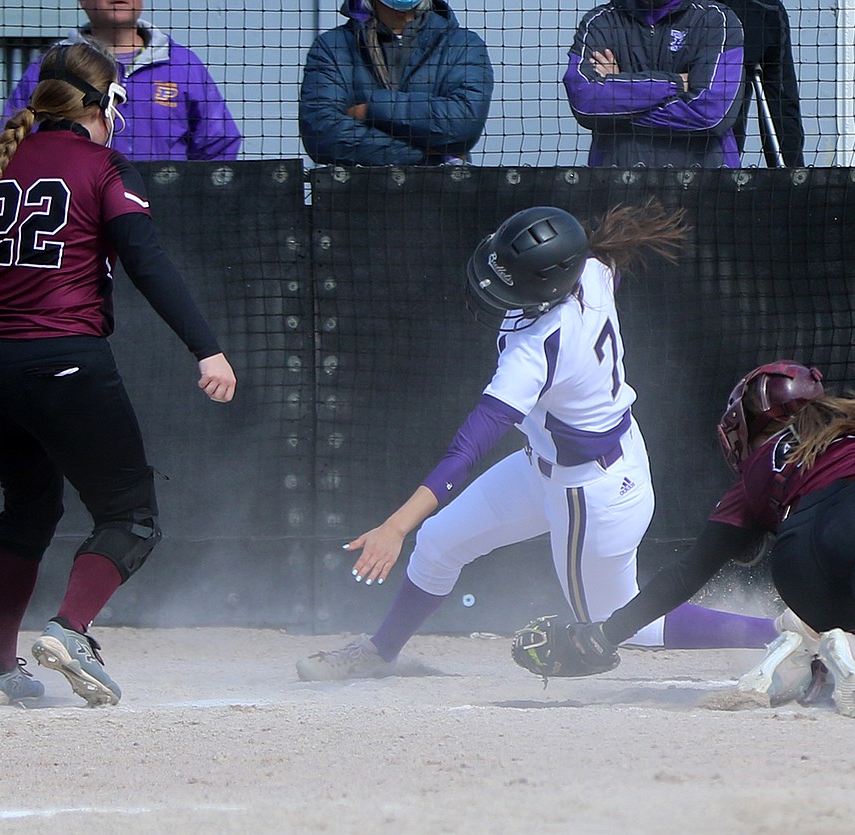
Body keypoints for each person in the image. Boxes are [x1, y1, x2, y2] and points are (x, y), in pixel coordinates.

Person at [296, 202, 779, 681]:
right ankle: (381, 652)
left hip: (591, 492)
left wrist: (394, 527)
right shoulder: (591, 270)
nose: (494, 284)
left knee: (623, 625)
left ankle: (781, 632)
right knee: (439, 542)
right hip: (551, 465)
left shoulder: (536, 350)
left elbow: (465, 451)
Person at [0, 40, 237, 707]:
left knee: (28, 507)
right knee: (131, 515)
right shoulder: (102, 166)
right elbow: (148, 264)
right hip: (63, 360)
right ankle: (72, 629)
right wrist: (206, 347)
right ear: (107, 103)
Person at [521, 361, 855, 718]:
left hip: (799, 565)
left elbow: (685, 574)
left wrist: (604, 634)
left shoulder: (758, 470)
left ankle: (805, 670)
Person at [0, 0, 241, 161]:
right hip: (77, 216)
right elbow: (7, 144)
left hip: (162, 216)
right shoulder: (49, 68)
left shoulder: (183, 65)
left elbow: (218, 144)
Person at [299, 0, 494, 166]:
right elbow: (322, 134)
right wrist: (423, 154)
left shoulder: (464, 45)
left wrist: (370, 110)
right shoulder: (332, 47)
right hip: (355, 199)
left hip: (444, 197)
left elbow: (463, 125)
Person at [562, 0, 746, 168]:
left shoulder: (717, 19)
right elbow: (585, 101)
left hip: (708, 180)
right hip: (615, 179)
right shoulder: (601, 22)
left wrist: (619, 97)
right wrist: (677, 83)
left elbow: (712, 115)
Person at [719, 0, 805, 167]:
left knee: (730, 88)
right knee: (776, 98)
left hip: (748, 9)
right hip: (760, 9)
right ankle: (792, 179)